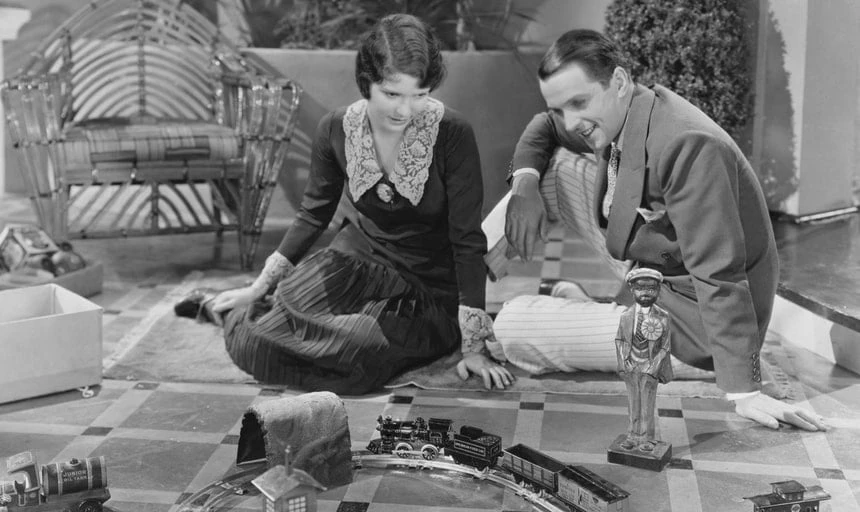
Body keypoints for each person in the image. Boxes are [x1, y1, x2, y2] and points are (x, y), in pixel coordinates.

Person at [496, 29, 827, 431]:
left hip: (695, 321)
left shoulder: (687, 143)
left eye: (579, 103)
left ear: (619, 82)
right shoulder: (628, 110)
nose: (570, 121)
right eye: (561, 107)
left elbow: (719, 271)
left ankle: (693, 358)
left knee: (512, 324)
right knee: (550, 171)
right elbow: (545, 125)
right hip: (656, 267)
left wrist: (744, 389)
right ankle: (473, 305)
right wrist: (524, 184)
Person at [175, 14, 513, 395]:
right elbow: (313, 213)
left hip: (426, 290)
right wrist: (258, 287)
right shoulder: (337, 129)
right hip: (354, 263)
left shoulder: (452, 134)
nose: (405, 110)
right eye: (392, 94)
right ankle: (228, 309)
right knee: (258, 342)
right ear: (366, 82)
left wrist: (473, 346)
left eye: (418, 95)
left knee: (357, 356)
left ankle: (262, 312)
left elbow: (467, 240)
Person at [615, 268, 672, 452]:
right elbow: (620, 340)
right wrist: (623, 361)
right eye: (640, 288)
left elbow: (665, 346)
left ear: (658, 290)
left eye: (651, 289)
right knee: (633, 403)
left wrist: (654, 366)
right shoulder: (626, 316)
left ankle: (647, 438)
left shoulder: (663, 317)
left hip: (650, 367)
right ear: (632, 290)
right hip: (631, 365)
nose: (645, 293)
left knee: (647, 404)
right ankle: (632, 436)